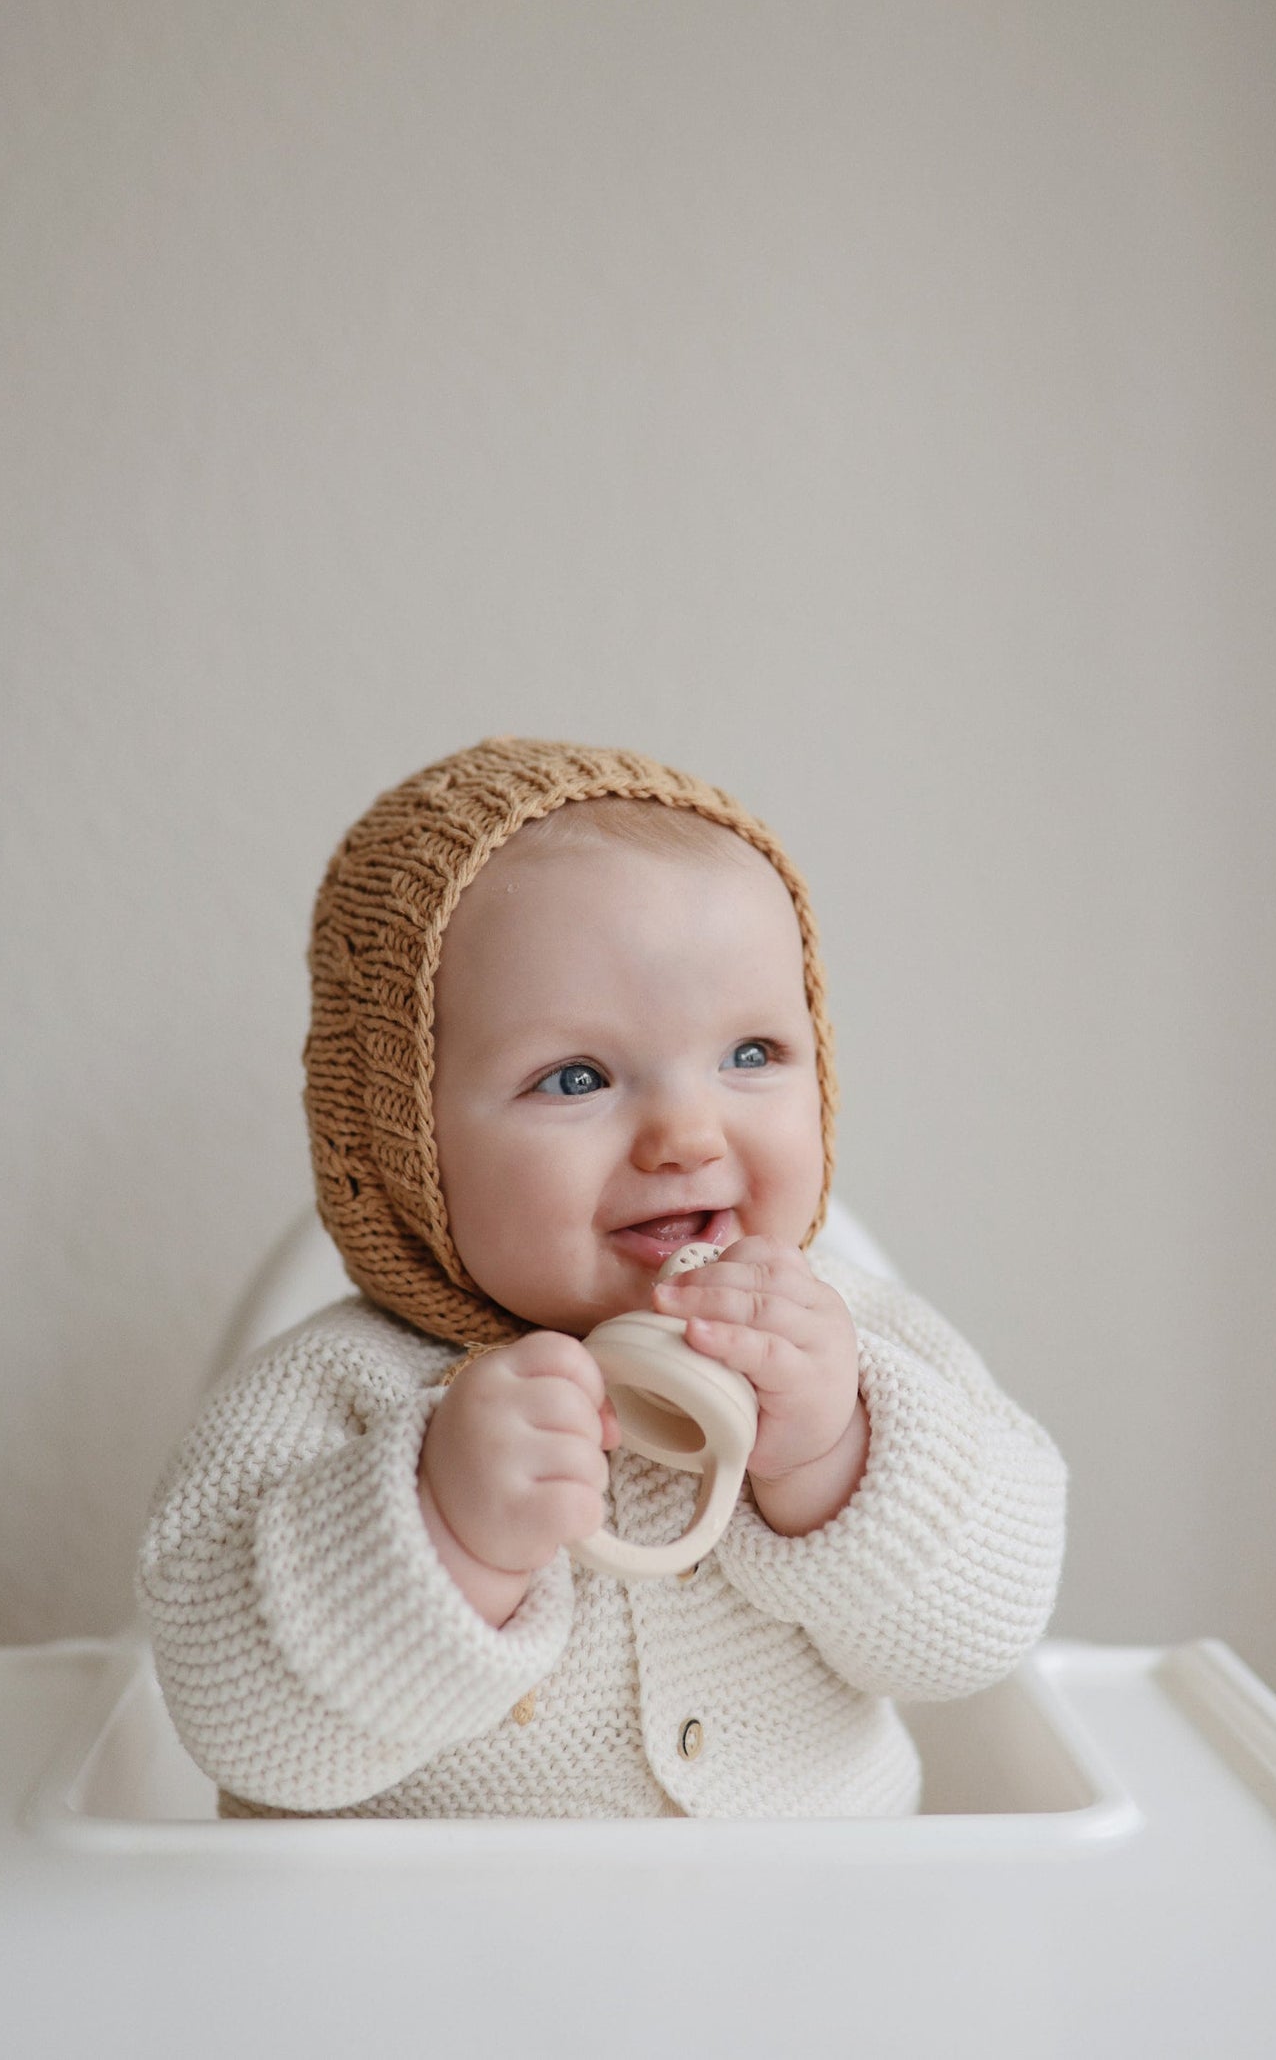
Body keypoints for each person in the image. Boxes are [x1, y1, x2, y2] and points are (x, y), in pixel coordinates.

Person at [138, 737, 1066, 1817]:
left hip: (810, 1948)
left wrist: (837, 1452)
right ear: (407, 1145)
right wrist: (442, 1530)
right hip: (426, 1969)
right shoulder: (334, 1394)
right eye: (574, 1076)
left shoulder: (854, 1345)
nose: (686, 1131)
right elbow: (234, 1724)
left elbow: (991, 1632)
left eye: (751, 1054)